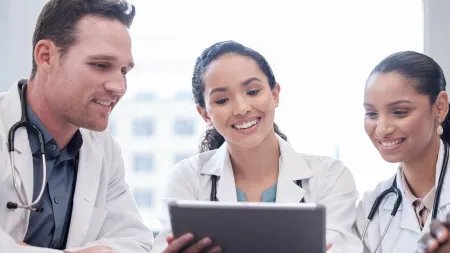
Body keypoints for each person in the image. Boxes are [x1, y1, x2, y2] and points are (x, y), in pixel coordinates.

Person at [151, 40, 363, 253]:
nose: (242, 109)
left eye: (252, 92)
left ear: (275, 94)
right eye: (222, 100)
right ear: (205, 114)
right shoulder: (186, 180)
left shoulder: (330, 177)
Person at [0, 0, 154, 252]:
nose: (119, 87)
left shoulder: (104, 148)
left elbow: (136, 241)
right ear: (46, 57)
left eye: (124, 70)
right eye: (101, 65)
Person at [356, 51, 450, 252]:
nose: (382, 129)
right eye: (372, 114)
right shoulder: (372, 207)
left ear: (440, 107)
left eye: (399, 112)